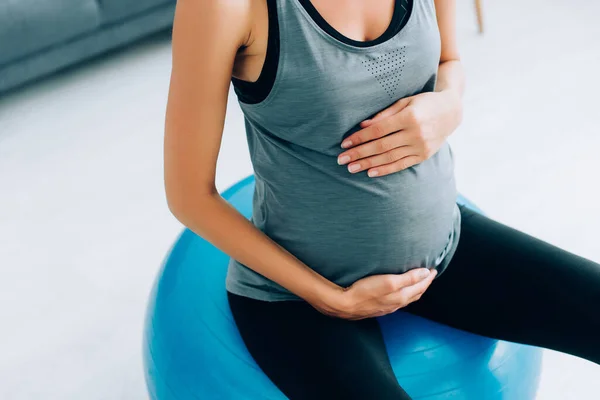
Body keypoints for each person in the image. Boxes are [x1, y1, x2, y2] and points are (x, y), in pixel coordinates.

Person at [163, 0, 600, 398]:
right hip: (299, 297)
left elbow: (450, 61)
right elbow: (189, 196)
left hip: (443, 249)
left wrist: (449, 104)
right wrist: (330, 299)